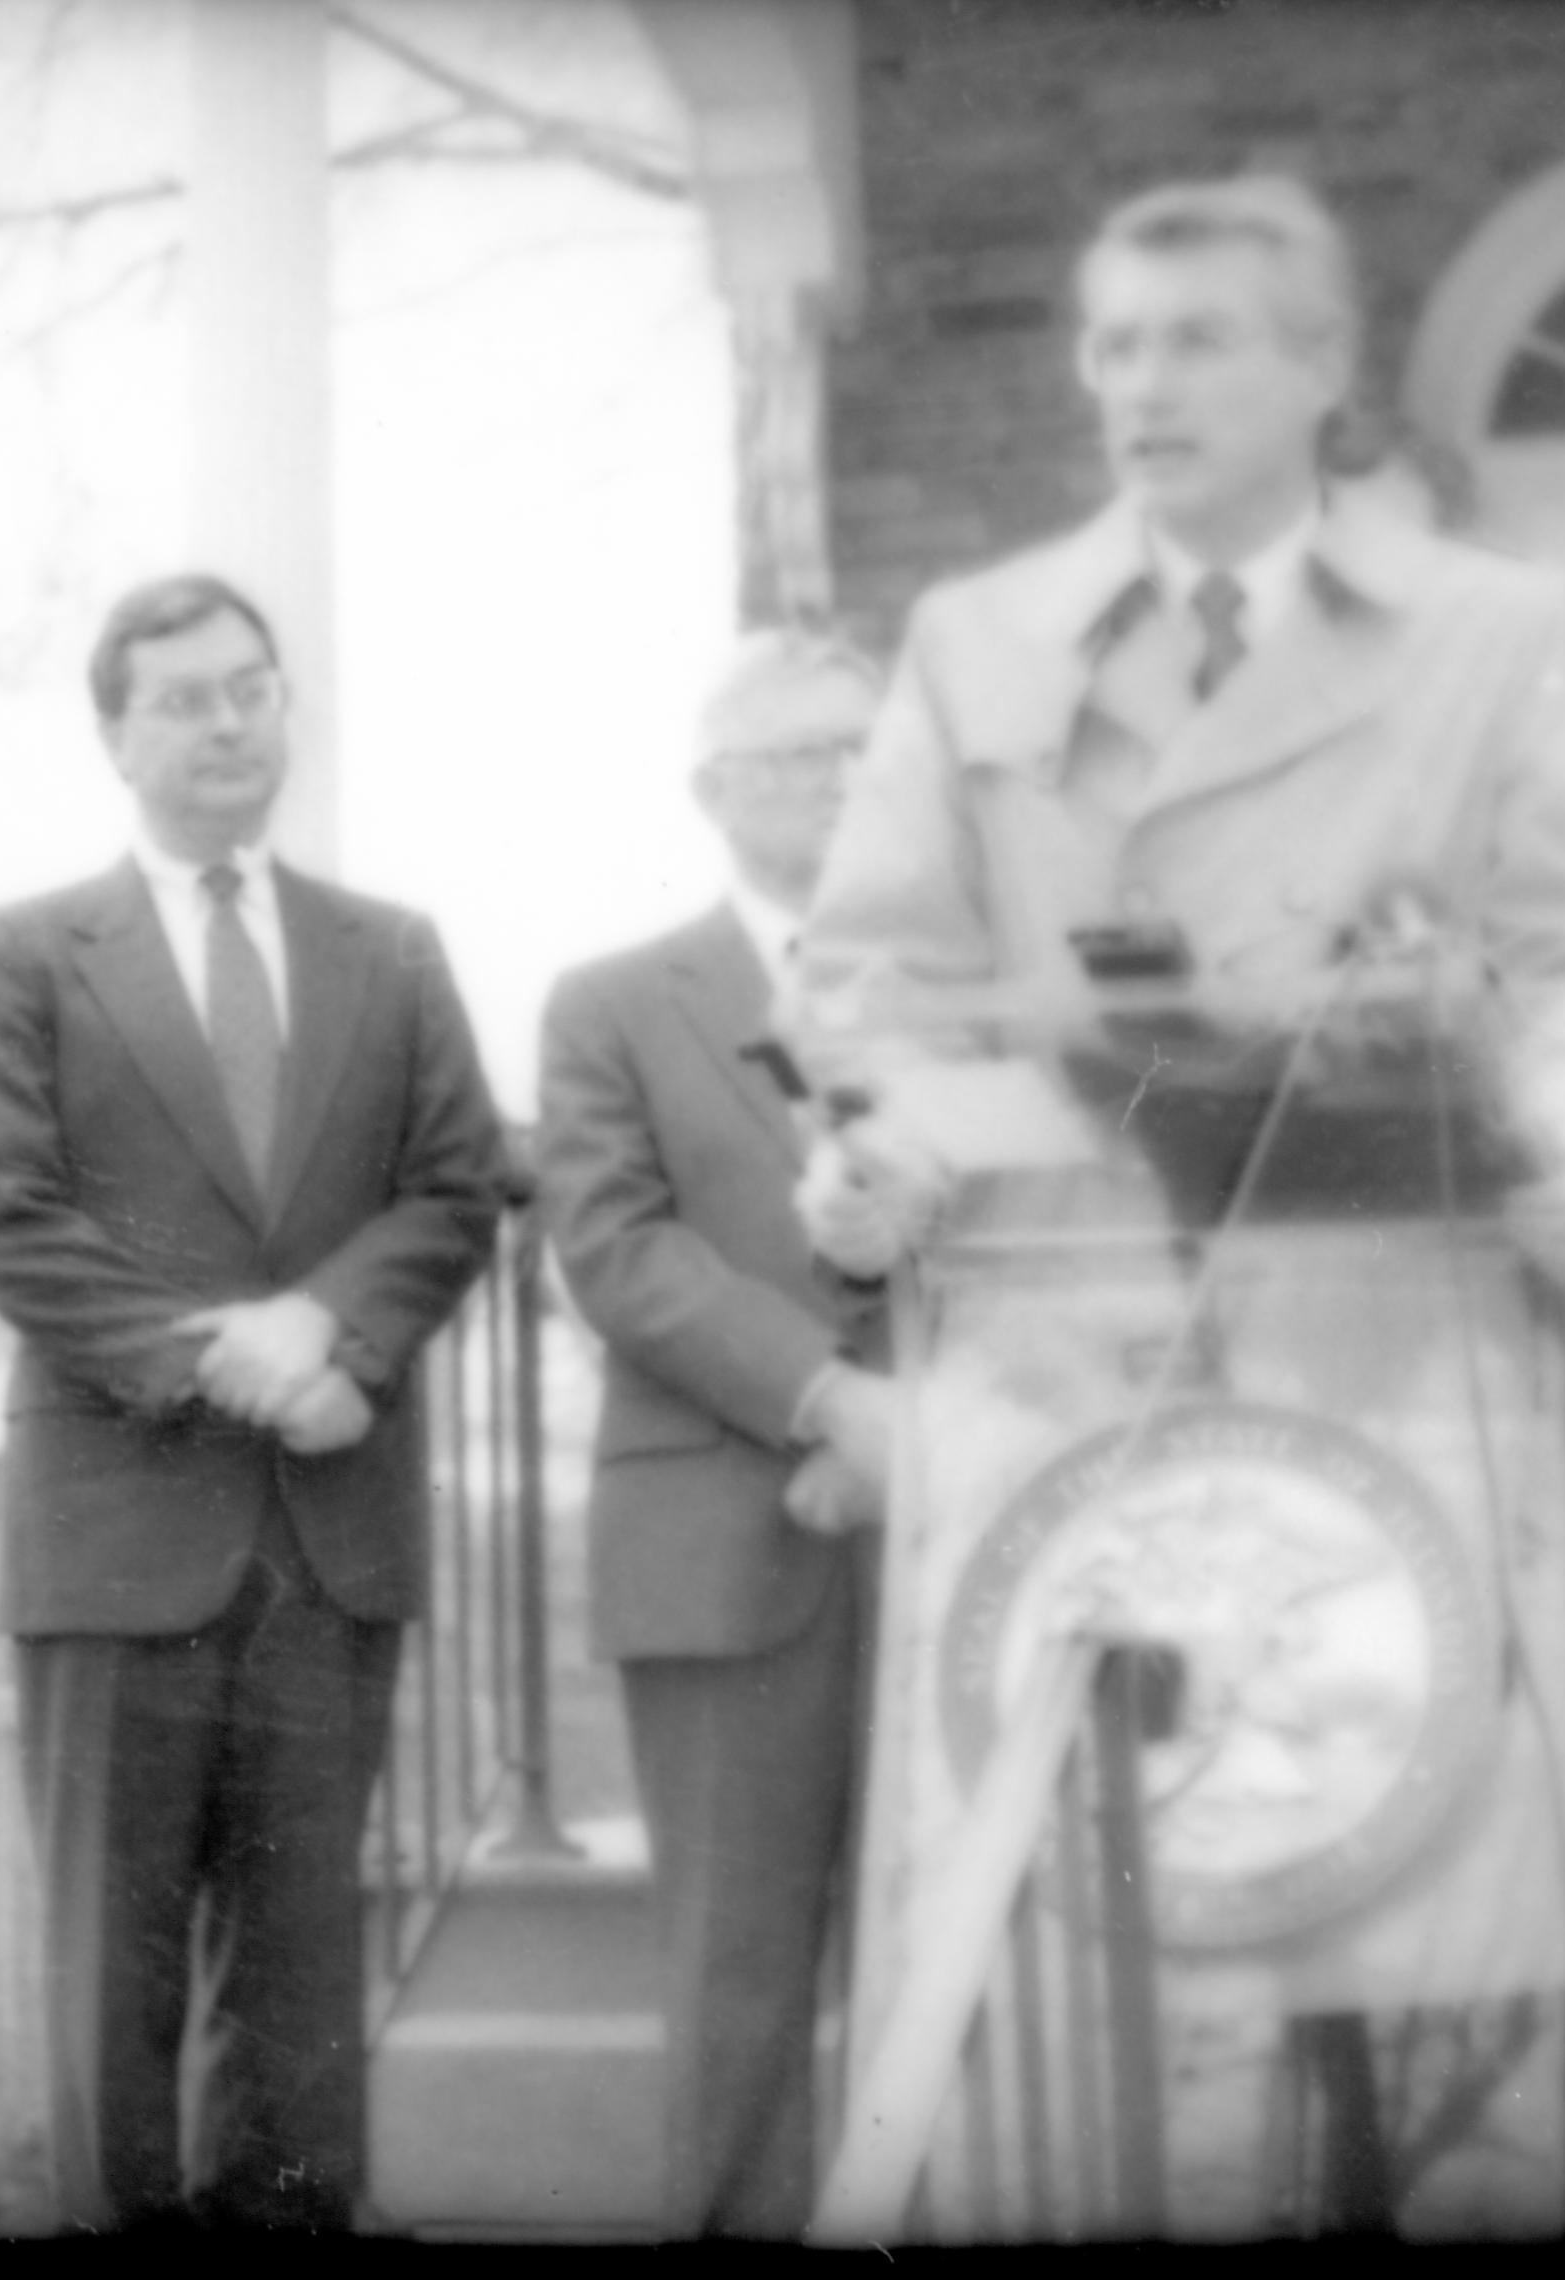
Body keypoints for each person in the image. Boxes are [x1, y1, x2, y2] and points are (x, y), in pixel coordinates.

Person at [794, 175, 1565, 2235]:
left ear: (1322, 369)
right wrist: (881, 1143)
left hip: (1400, 1385)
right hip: (1065, 1382)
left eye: (1198, 339)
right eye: (1111, 343)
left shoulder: (1494, 635)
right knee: (1104, 2001)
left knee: (1425, 2011)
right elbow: (867, 977)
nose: (1141, 384)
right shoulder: (977, 642)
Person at [0, 574, 505, 2232]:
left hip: (328, 1556)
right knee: (110, 2004)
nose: (228, 723)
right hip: (121, 1547)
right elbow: (6, 1220)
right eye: (183, 699)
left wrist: (327, 1323)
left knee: (304, 2000)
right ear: (116, 734)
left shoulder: (389, 950)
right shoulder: (27, 954)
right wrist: (231, 1362)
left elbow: (455, 1187)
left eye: (251, 689)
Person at [533, 628, 895, 2238]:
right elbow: (616, 1253)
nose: (839, 782)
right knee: (740, 1993)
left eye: (863, 748)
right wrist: (832, 1394)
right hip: (724, 1554)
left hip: (958, 1540)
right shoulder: (616, 1003)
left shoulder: (960, 988)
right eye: (798, 753)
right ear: (710, 790)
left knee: (955, 1965)